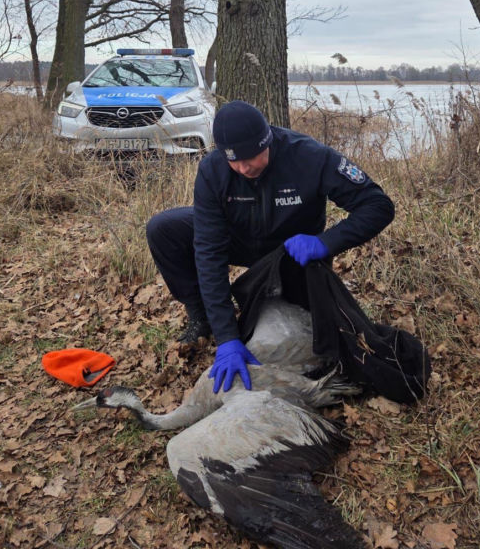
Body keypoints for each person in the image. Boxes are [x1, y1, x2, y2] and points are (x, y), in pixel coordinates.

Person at [146, 100, 395, 394]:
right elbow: (208, 252)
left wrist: (325, 243)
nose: (242, 168)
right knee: (163, 228)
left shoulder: (309, 156)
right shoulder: (213, 171)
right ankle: (200, 316)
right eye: (233, 161)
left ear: (268, 142)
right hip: (238, 239)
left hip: (291, 254)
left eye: (250, 157)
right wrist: (227, 337)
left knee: (309, 329)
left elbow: (377, 205)